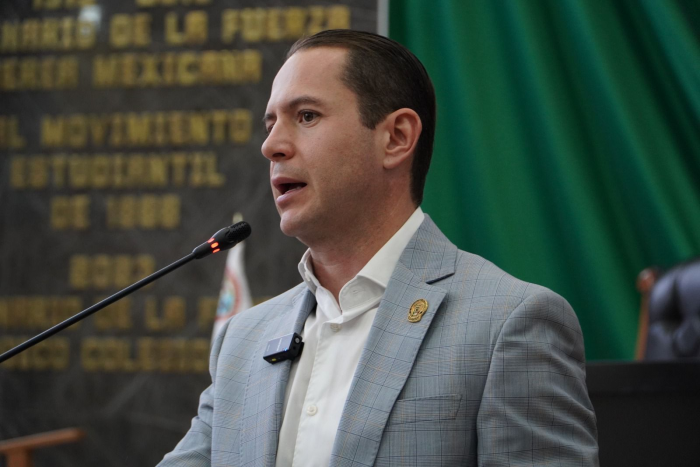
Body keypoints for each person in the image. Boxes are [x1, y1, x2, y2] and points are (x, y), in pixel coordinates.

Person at [159, 30, 599, 467]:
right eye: (270, 124)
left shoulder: (509, 324)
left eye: (307, 116)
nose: (271, 146)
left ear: (396, 138)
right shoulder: (243, 340)